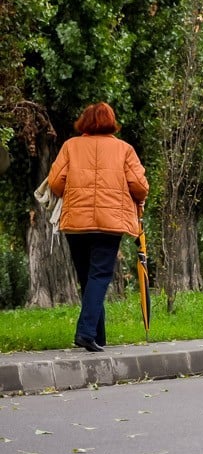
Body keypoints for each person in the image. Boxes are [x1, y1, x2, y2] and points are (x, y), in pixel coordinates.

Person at [47, 102, 149, 352]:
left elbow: (55, 183)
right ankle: (85, 333)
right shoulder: (124, 149)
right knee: (100, 275)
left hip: (76, 223)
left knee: (87, 277)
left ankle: (97, 336)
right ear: (111, 122)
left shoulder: (70, 146)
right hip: (109, 222)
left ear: (84, 122)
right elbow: (140, 186)